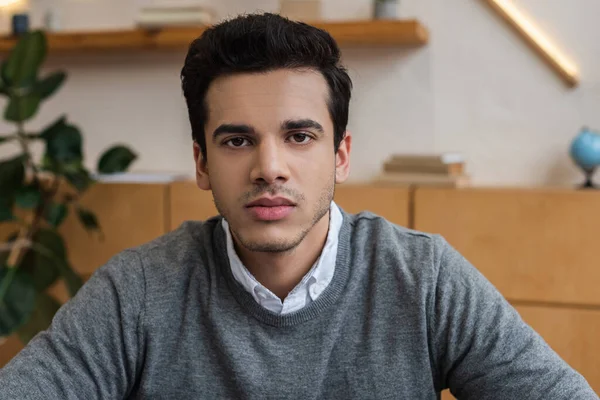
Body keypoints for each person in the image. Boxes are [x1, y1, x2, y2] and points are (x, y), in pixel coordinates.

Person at [0, 12, 597, 400]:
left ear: (341, 155)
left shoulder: (423, 278)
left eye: (299, 136)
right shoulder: (138, 292)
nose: (269, 167)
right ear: (202, 163)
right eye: (237, 140)